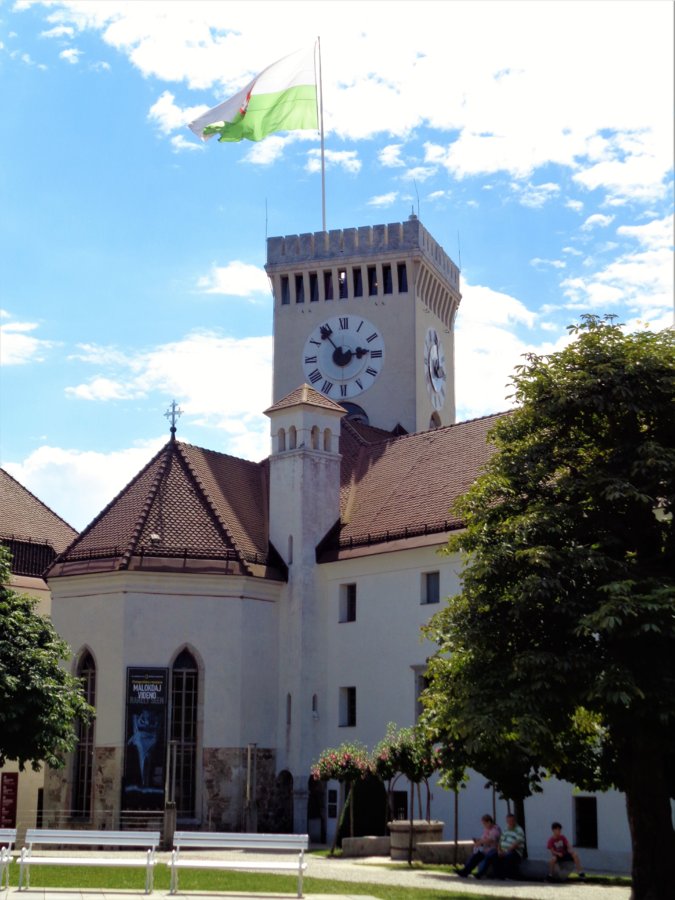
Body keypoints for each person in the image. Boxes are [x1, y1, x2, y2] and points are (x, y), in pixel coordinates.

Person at [492, 812, 526, 879]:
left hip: (515, 851)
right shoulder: (505, 830)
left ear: (514, 821)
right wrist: (499, 850)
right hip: (503, 850)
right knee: (494, 855)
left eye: (512, 821)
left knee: (508, 856)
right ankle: (498, 876)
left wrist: (506, 851)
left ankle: (508, 876)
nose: (510, 822)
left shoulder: (519, 830)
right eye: (508, 821)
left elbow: (517, 843)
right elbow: (500, 841)